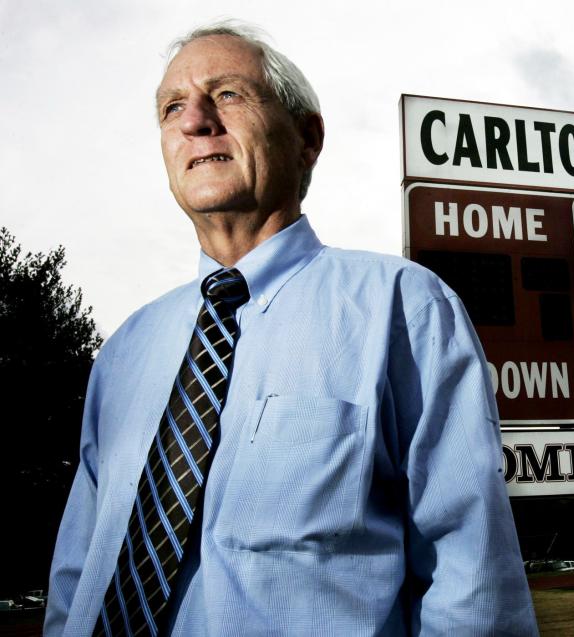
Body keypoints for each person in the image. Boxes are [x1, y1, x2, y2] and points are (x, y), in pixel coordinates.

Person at [45, 21, 537, 636]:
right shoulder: (123, 351)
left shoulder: (402, 308)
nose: (195, 120)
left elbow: (471, 580)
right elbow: (77, 572)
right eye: (173, 107)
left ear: (308, 137)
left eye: (227, 94)